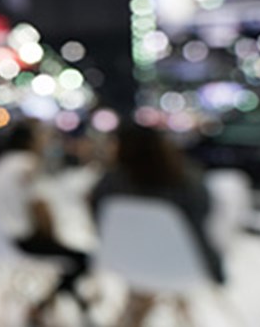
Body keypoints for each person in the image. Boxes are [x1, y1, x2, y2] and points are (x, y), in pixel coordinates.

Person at [91, 123, 225, 327]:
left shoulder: (111, 182)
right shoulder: (186, 179)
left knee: (141, 289)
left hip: (127, 260)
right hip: (183, 264)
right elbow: (201, 224)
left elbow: (100, 221)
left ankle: (135, 311)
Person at [0, 121, 90, 322]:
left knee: (69, 258)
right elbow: (39, 208)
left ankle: (64, 303)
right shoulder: (28, 163)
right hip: (20, 240)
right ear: (29, 141)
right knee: (81, 259)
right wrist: (54, 236)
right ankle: (44, 305)